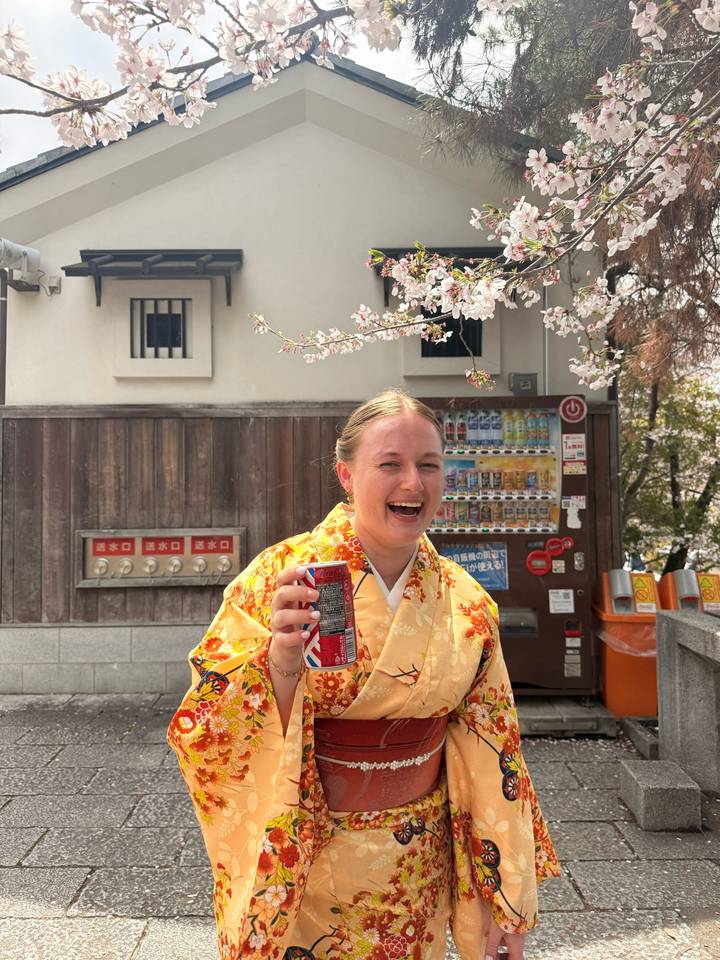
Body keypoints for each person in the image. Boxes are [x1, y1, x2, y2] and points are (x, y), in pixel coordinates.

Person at [167, 389, 560, 960]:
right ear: (346, 475)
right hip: (310, 864)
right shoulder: (278, 578)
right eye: (390, 464)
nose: (413, 483)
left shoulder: (467, 602)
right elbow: (204, 731)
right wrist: (278, 666)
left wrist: (505, 901)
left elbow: (493, 751)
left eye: (429, 465)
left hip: (416, 871)